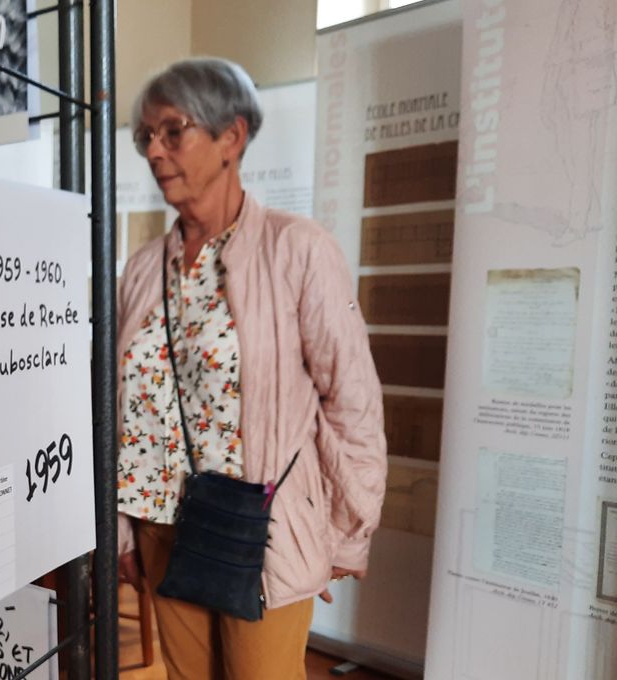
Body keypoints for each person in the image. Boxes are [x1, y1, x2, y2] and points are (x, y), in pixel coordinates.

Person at [116, 58, 387, 679]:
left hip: (260, 529)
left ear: (230, 137)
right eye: (145, 138)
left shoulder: (298, 250)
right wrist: (125, 531)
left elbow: (352, 400)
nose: (154, 151)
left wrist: (349, 530)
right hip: (164, 527)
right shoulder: (140, 269)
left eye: (171, 131)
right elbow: (122, 409)